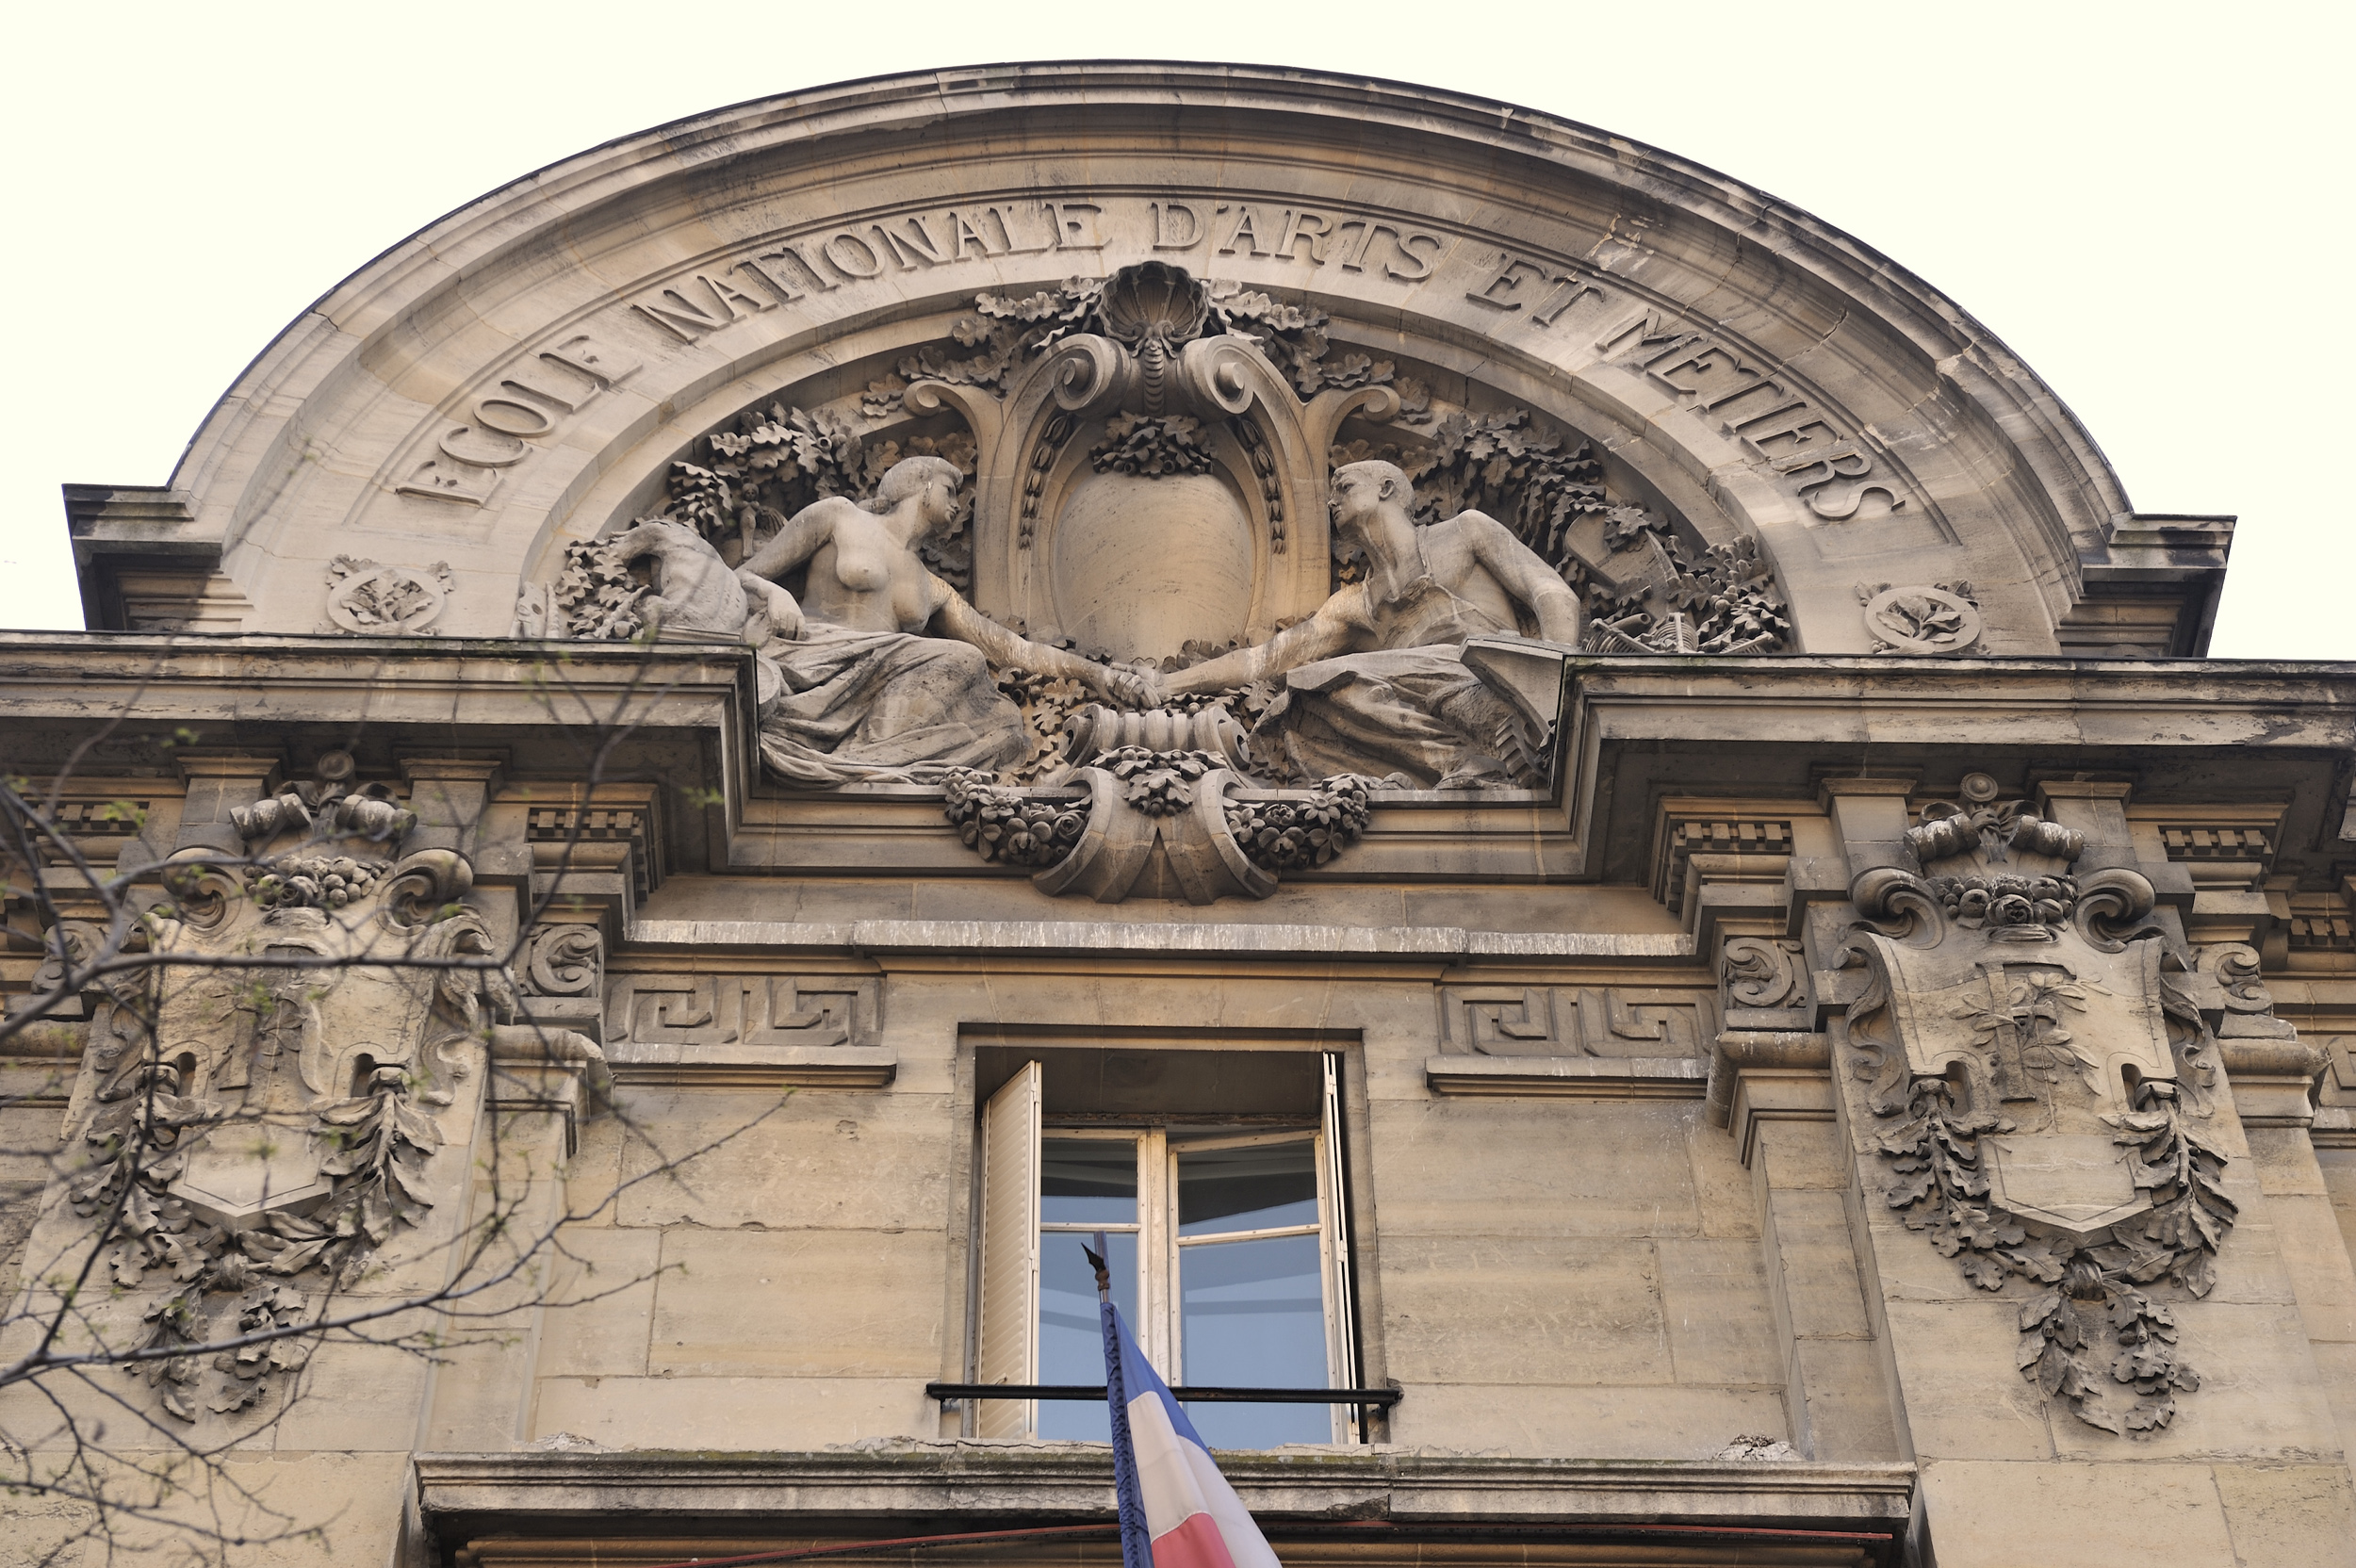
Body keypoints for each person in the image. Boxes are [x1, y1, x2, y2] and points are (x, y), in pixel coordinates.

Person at [1156, 460, 1581, 788]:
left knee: (1326, 675)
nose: (1332, 502)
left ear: (1386, 488)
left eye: (1343, 487)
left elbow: (1550, 592)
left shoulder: (1464, 533)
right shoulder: (1354, 604)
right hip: (1435, 705)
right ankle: (1464, 764)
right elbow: (1266, 659)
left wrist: (1554, 685)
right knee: (1307, 698)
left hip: (1495, 680)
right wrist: (1167, 685)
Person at [738, 456, 1147, 784]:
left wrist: (1097, 674)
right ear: (921, 485)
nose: (957, 504)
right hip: (817, 653)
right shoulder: (839, 516)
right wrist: (776, 594)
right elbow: (742, 576)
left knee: (985, 692)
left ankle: (867, 759)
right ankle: (860, 759)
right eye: (949, 490)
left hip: (885, 672)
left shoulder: (932, 587)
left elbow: (1012, 649)